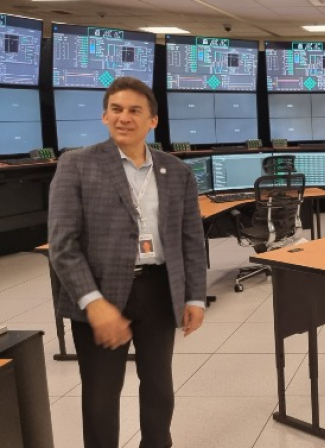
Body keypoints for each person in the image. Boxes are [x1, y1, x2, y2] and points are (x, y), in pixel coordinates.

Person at [48, 76, 207, 448]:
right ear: (104, 117)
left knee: (159, 389)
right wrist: (94, 303)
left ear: (153, 121)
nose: (124, 117)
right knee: (101, 398)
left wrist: (195, 297)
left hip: (158, 289)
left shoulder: (177, 172)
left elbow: (190, 240)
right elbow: (63, 245)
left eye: (135, 110)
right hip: (100, 294)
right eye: (116, 109)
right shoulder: (77, 165)